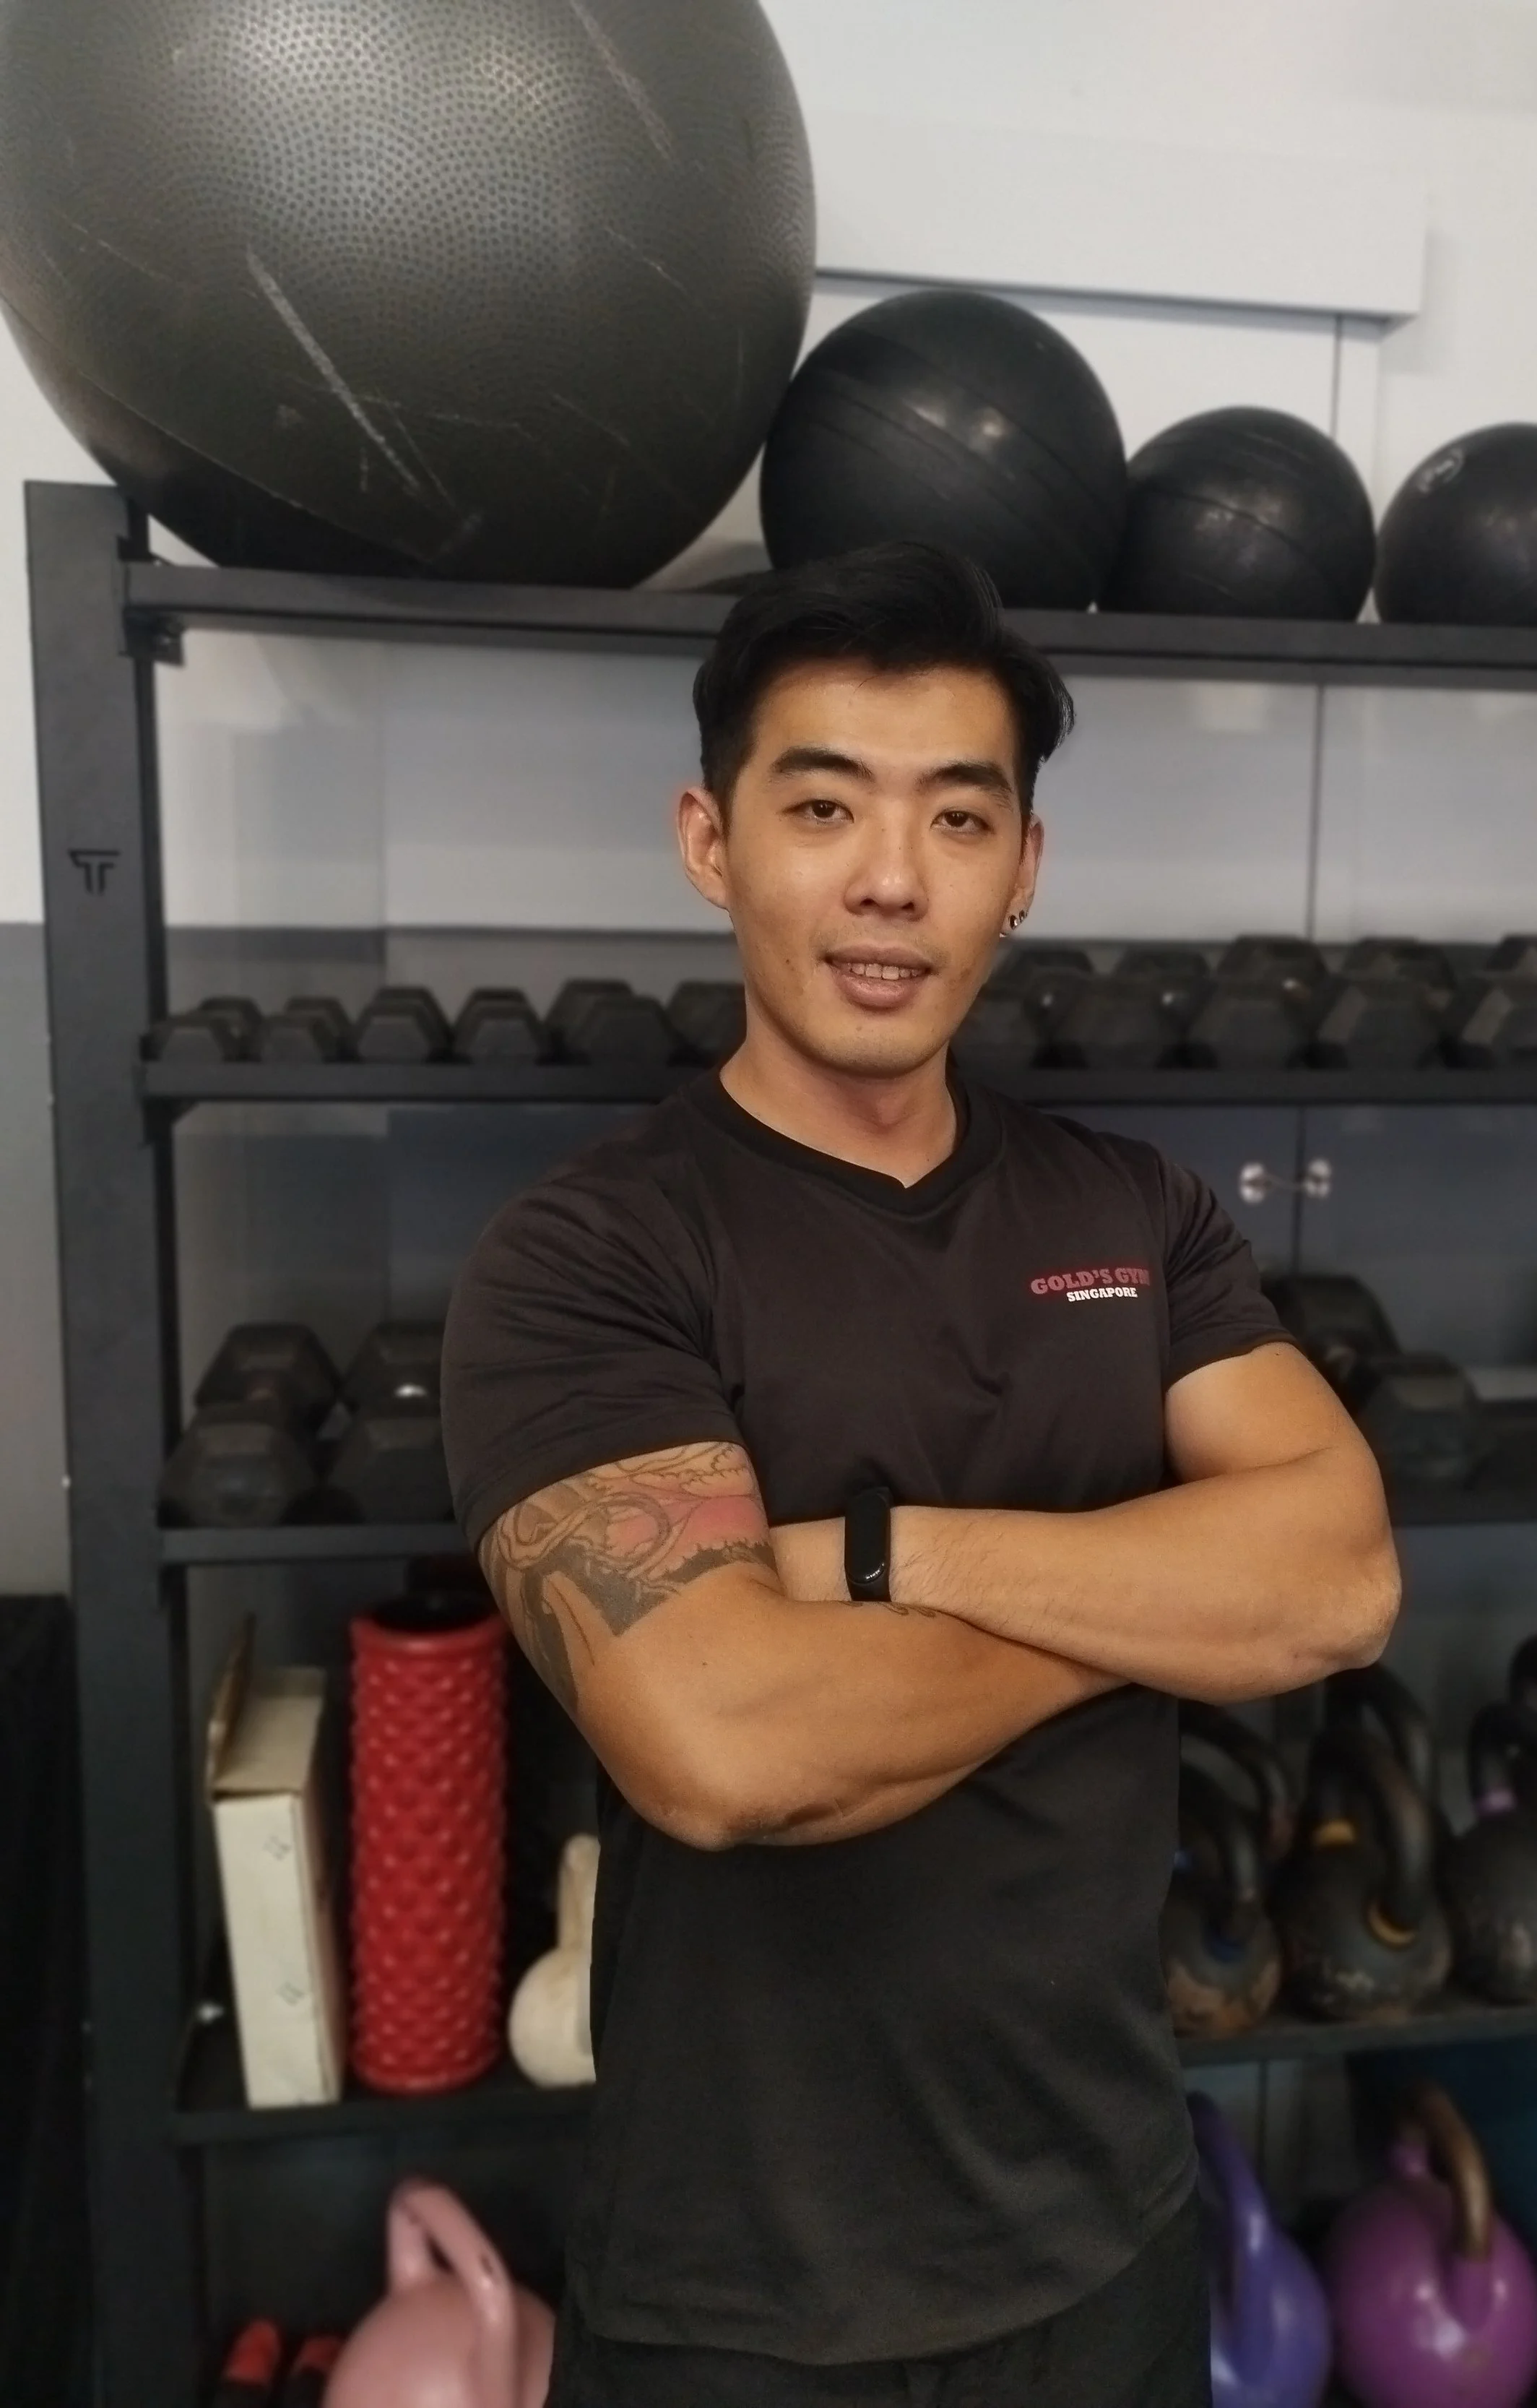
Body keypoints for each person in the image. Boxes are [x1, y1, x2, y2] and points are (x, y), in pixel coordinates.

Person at [441, 541, 1398, 2408]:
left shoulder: (1135, 1210)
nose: (890, 877)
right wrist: (1168, 1602)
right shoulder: (589, 1258)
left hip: (1104, 2227)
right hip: (743, 2286)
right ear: (711, 841)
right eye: (822, 804)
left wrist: (884, 1557)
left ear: (1022, 865)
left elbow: (1339, 1574)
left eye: (958, 816)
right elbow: (732, 1746)